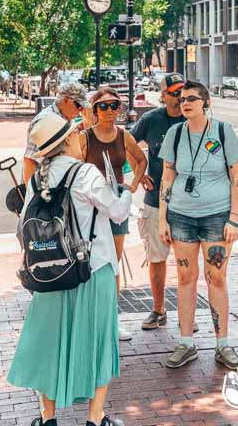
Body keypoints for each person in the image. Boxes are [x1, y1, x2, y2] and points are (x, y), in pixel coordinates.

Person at [8, 110, 131, 426]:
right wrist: (126, 191)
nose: (81, 137)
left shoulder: (38, 178)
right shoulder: (86, 174)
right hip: (92, 269)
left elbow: (22, 228)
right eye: (76, 133)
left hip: (49, 273)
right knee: (99, 342)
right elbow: (117, 212)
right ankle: (95, 417)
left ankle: (48, 418)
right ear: (66, 142)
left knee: (49, 344)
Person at [158, 80, 238, 370]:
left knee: (216, 277)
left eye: (192, 99)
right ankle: (186, 342)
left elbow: (237, 177)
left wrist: (234, 217)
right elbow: (167, 177)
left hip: (218, 215)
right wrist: (163, 218)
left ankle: (223, 344)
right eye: (182, 99)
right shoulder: (175, 133)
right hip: (181, 215)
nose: (185, 103)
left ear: (206, 103)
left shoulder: (223, 131)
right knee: (185, 278)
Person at [80, 87, 147, 341]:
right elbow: (74, 166)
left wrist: (132, 186)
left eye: (114, 105)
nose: (110, 111)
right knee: (89, 261)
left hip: (116, 203)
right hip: (91, 206)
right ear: (95, 110)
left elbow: (141, 160)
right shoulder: (85, 137)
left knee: (112, 265)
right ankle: (89, 319)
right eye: (104, 106)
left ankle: (111, 321)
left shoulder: (123, 135)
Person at [130, 73, 186, 329]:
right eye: (174, 93)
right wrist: (140, 174)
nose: (179, 97)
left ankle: (188, 314)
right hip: (155, 201)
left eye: (182, 91)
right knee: (157, 257)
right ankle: (158, 309)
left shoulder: (195, 118)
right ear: (163, 95)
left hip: (189, 204)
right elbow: (126, 144)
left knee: (187, 262)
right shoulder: (151, 120)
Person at [23, 81, 92, 186]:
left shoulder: (67, 117)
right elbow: (30, 161)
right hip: (44, 187)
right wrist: (32, 195)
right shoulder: (44, 120)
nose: (81, 110)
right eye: (78, 105)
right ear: (65, 100)